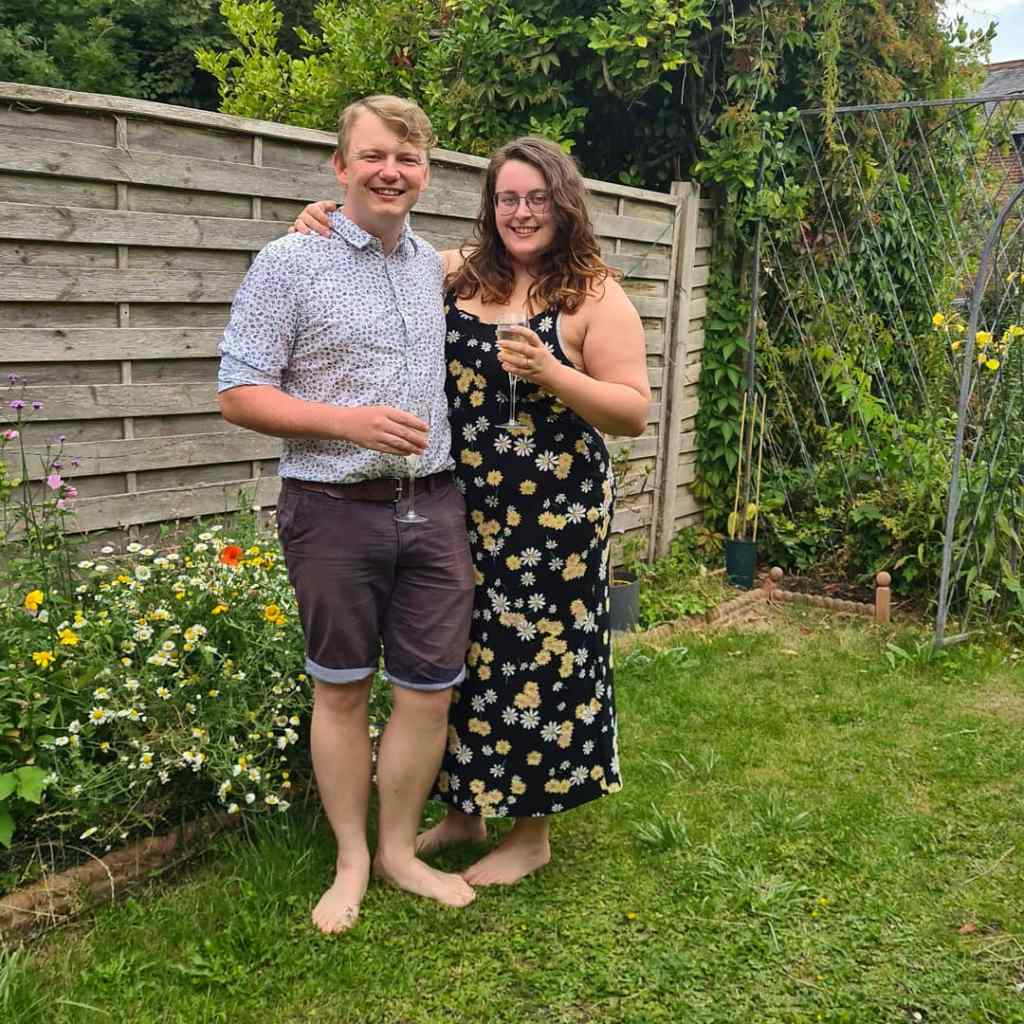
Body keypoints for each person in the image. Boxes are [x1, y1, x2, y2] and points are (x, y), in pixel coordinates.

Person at [294, 135, 650, 885]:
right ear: (491, 206)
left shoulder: (591, 293)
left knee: (540, 658)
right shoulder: (457, 271)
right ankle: (465, 810)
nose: (522, 213)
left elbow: (631, 412)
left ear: (564, 202)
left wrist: (554, 373)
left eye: (537, 198)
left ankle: (532, 832)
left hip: (554, 517)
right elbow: (382, 246)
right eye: (507, 198)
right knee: (460, 658)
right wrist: (323, 217)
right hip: (460, 500)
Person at [218, 94, 477, 934]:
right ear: (340, 166)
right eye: (372, 156)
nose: (389, 171)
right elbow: (237, 392)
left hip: (433, 505)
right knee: (341, 691)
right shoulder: (289, 262)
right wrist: (348, 422)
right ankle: (351, 858)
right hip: (332, 508)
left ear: (425, 173)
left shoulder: (429, 263)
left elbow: (529, 257)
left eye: (406, 159)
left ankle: (399, 850)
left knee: (428, 692)